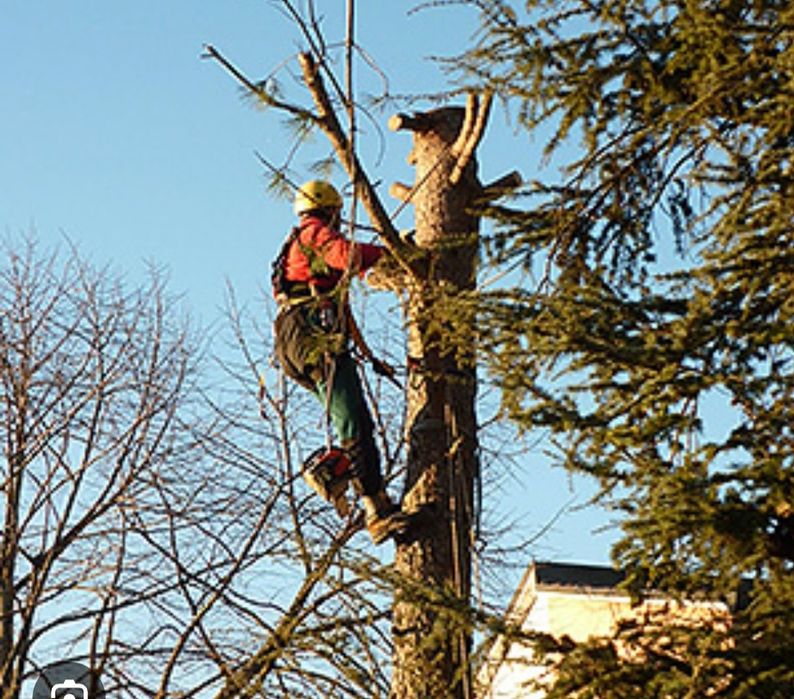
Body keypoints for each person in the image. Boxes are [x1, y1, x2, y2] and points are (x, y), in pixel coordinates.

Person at [272, 179, 407, 544]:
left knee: (351, 416)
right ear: (331, 210)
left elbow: (341, 306)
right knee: (353, 423)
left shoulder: (294, 246)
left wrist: (367, 354)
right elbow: (348, 256)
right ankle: (374, 506)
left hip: (296, 342)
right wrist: (393, 253)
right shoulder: (315, 235)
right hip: (313, 334)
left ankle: (366, 492)